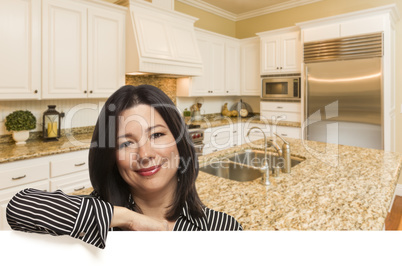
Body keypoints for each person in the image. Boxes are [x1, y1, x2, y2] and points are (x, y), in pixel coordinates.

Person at [6, 85, 242, 249]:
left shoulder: (222, 229)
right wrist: (128, 219)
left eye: (157, 134)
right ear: (111, 156)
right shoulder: (97, 220)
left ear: (180, 143)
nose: (145, 154)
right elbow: (19, 207)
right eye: (126, 143)